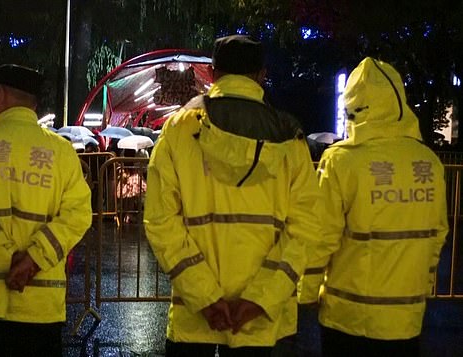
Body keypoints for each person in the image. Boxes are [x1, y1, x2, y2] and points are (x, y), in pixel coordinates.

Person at [144, 35, 325, 356]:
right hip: (259, 322)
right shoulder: (290, 138)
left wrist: (205, 296)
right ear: (261, 75)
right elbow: (306, 226)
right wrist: (260, 298)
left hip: (194, 314)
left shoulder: (178, 128)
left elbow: (160, 220)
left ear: (213, 74)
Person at [298, 57, 448, 357]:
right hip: (406, 320)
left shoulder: (342, 160)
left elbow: (321, 236)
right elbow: (436, 235)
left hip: (348, 321)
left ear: (352, 106)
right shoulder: (428, 161)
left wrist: (304, 294)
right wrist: (422, 286)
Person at [0, 64, 92, 357]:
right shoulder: (61, 152)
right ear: (34, 105)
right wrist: (32, 261)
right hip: (40, 310)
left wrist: (7, 258)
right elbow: (78, 215)